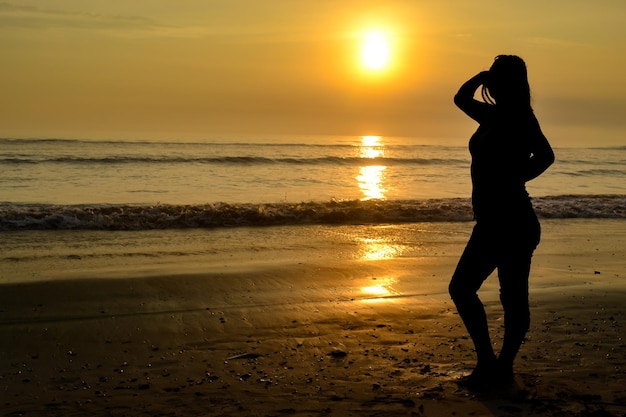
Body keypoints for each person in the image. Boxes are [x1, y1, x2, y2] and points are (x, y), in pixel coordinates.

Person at [449, 55, 555, 390]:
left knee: (474, 290)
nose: (490, 81)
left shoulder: (512, 116)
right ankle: (494, 367)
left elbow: (546, 156)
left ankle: (495, 366)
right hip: (501, 219)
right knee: (489, 293)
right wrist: (517, 177)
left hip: (508, 221)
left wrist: (515, 178)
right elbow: (460, 99)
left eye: (496, 76)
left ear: (506, 81)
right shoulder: (504, 115)